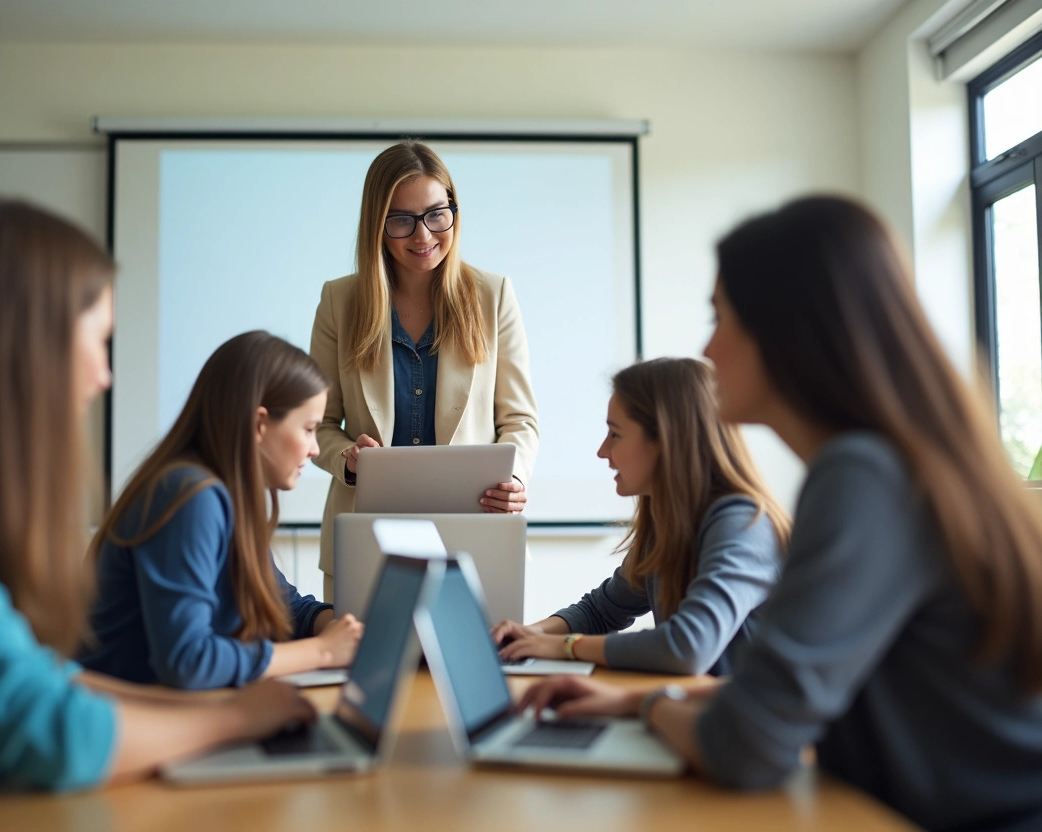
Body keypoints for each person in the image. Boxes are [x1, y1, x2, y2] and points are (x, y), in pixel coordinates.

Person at [521, 195, 1042, 832]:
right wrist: (633, 705)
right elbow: (763, 702)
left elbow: (747, 743)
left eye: (720, 318)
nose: (708, 349)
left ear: (784, 330)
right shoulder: (885, 466)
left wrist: (647, 706)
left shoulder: (861, 478)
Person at [0, 198, 315, 831]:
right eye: (99, 341)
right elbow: (49, 729)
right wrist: (238, 719)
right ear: (25, 342)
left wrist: (229, 711)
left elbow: (48, 678)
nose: (105, 375)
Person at [309, 140, 539, 599]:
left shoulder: (493, 296)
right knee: (361, 669)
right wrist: (346, 460)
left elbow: (520, 420)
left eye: (437, 214)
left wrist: (515, 478)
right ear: (377, 224)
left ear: (454, 209)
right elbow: (314, 424)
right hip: (365, 539)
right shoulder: (340, 301)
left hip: (476, 538)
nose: (423, 235)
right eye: (401, 220)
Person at [80, 331, 364, 688]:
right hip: (124, 722)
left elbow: (286, 607)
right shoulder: (189, 497)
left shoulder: (223, 495)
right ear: (260, 424)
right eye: (308, 429)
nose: (313, 449)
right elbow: (187, 660)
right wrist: (323, 652)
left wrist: (345, 630)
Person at [492, 358, 789, 675]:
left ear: (666, 441)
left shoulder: (742, 525)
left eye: (615, 434)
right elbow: (600, 612)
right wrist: (527, 636)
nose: (602, 451)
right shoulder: (671, 526)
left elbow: (686, 647)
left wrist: (565, 647)